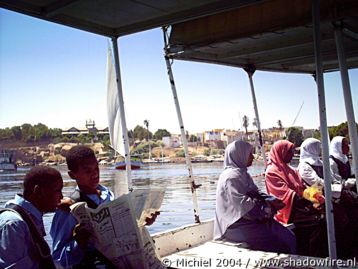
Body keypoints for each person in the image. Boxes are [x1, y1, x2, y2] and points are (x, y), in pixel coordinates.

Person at [50, 145, 158, 268]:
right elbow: (58, 260)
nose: (95, 174)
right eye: (87, 171)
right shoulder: (67, 210)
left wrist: (143, 221)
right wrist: (78, 243)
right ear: (72, 175)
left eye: (96, 168)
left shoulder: (109, 196)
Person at [214, 140, 296, 254]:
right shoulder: (231, 177)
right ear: (240, 155)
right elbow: (244, 206)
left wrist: (272, 201)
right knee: (280, 244)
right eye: (249, 154)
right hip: (236, 225)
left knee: (289, 236)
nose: (252, 157)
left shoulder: (242, 174)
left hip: (250, 220)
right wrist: (268, 209)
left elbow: (255, 192)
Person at [265, 140, 327, 257]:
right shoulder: (272, 172)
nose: (292, 154)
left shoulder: (291, 170)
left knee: (326, 214)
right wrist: (309, 204)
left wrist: (317, 196)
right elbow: (285, 195)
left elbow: (302, 189)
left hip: (300, 206)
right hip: (286, 210)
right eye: (289, 151)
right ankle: (310, 255)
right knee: (317, 221)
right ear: (281, 152)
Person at [298, 138, 356, 258]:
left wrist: (339, 185)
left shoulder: (321, 162)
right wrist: (336, 188)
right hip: (316, 195)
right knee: (340, 215)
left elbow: (332, 178)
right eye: (317, 147)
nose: (320, 150)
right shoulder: (304, 166)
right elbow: (317, 183)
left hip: (332, 192)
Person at [0, 166, 63, 268]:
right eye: (57, 191)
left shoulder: (30, 218)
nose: (61, 197)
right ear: (38, 191)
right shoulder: (14, 224)